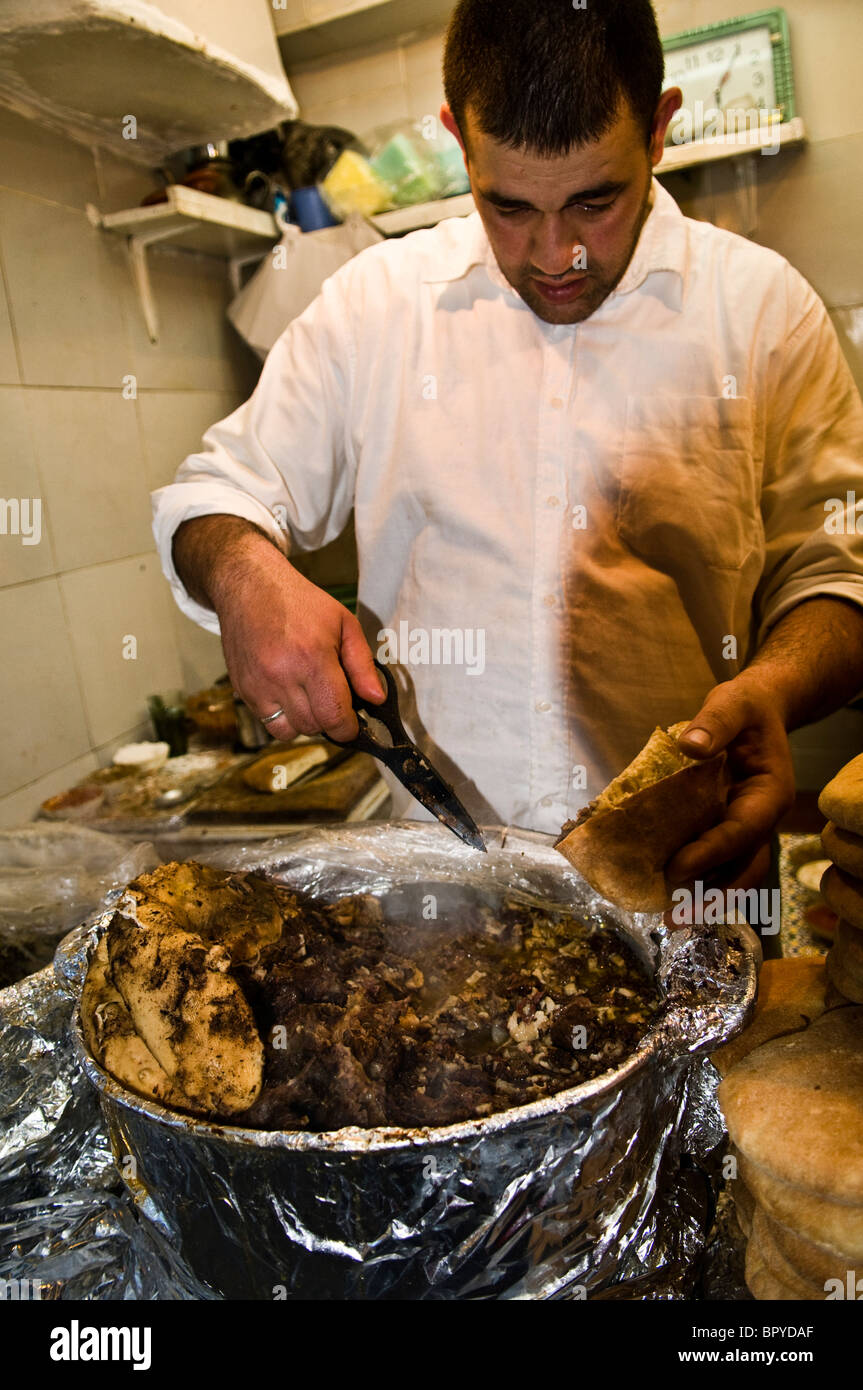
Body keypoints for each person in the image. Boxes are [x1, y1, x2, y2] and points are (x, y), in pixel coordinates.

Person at [153, 0, 863, 910]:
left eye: (595, 202)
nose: (555, 255)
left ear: (658, 129)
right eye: (510, 206)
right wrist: (245, 575)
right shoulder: (373, 305)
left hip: (687, 870)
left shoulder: (764, 310)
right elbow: (214, 495)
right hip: (437, 897)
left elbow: (838, 573)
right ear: (458, 141)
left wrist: (772, 686)